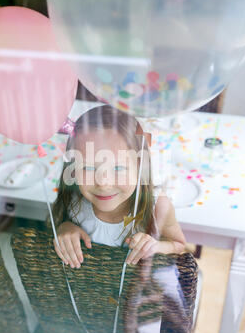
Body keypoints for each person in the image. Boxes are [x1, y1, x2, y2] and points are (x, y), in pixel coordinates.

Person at [50, 104, 186, 269]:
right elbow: (54, 223)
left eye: (118, 168)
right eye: (88, 167)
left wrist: (156, 246)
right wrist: (64, 228)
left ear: (140, 166)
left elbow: (179, 246)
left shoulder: (157, 206)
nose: (103, 182)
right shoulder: (74, 197)